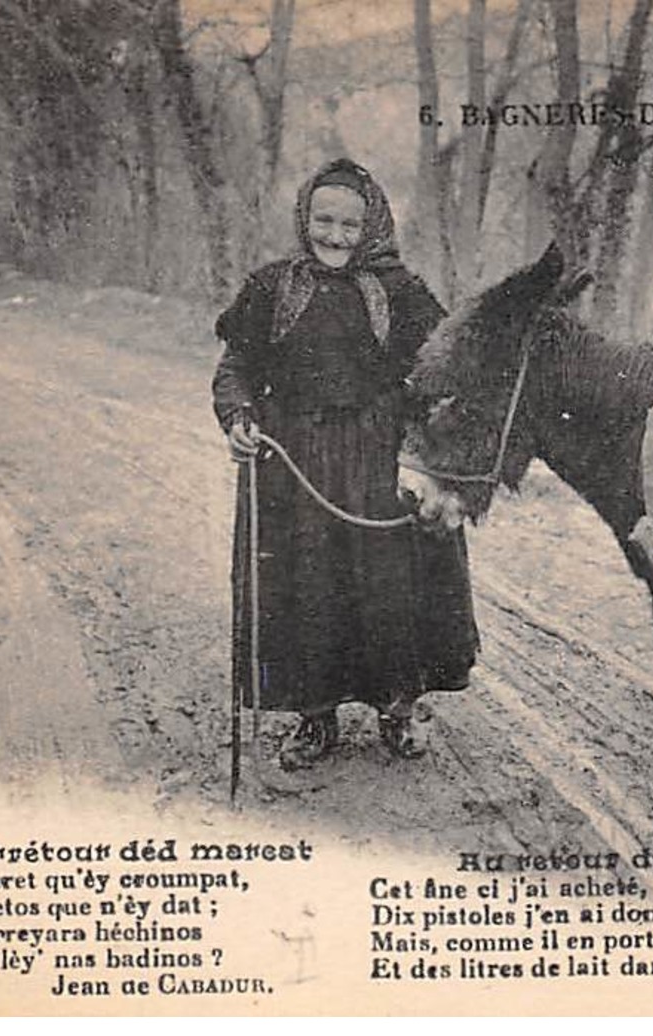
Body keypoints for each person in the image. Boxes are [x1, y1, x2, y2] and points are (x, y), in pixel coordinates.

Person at [211, 158, 478, 769]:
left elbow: (442, 374)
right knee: (308, 587)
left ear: (373, 226)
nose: (335, 235)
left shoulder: (402, 291)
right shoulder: (272, 288)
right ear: (304, 219)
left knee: (394, 586)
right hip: (295, 463)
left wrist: (431, 444)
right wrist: (238, 417)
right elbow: (237, 369)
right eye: (323, 220)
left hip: (380, 462)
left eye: (350, 225)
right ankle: (315, 715)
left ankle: (401, 708)